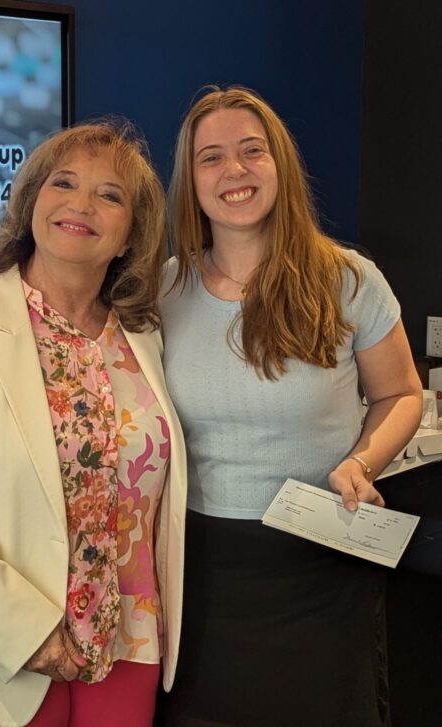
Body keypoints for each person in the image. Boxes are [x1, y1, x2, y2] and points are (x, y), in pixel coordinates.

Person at [0, 120, 187, 727]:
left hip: (128, 636)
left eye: (109, 195)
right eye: (64, 183)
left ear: (132, 231)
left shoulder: (145, 336)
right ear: (31, 204)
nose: (81, 204)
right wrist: (26, 633)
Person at [156, 86, 422, 727]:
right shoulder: (165, 288)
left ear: (281, 164)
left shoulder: (348, 279)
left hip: (322, 562)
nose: (234, 171)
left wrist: (364, 460)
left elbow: (402, 394)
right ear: (190, 183)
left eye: (252, 151)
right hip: (202, 571)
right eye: (211, 158)